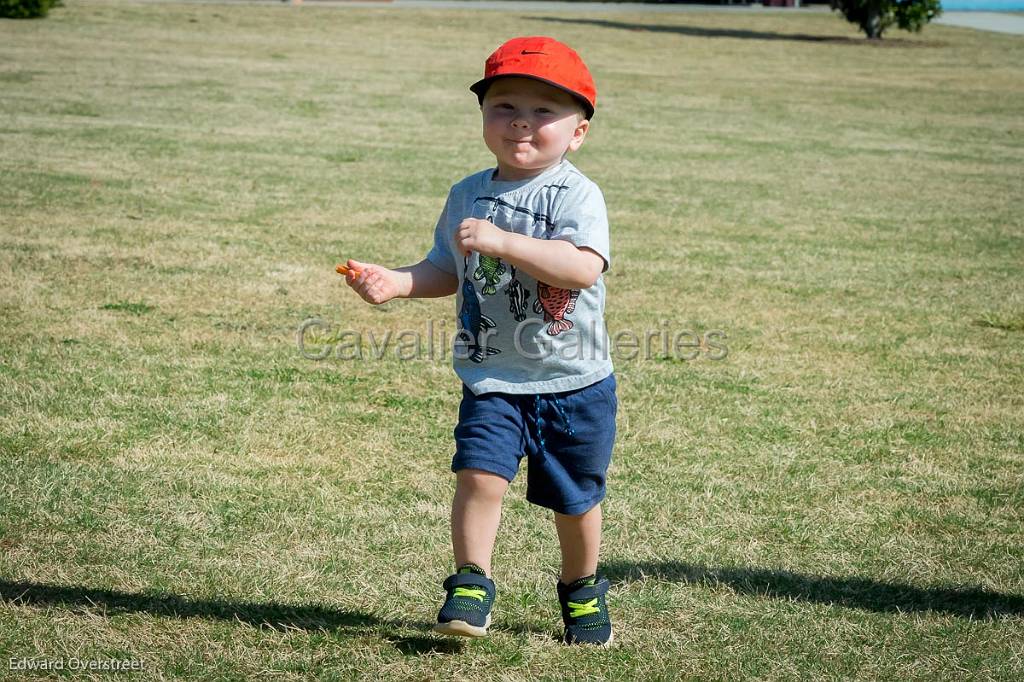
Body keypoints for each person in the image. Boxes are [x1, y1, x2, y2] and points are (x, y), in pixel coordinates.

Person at [343, 36, 616, 646]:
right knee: (478, 475)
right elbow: (447, 268)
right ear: (485, 118)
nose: (522, 119)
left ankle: (581, 590)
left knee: (573, 502)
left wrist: (505, 242)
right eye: (505, 105)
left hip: (574, 381)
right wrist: (397, 282)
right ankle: (471, 580)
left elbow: (581, 269)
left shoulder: (576, 194)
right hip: (492, 376)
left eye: (545, 111)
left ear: (578, 132)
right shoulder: (467, 192)